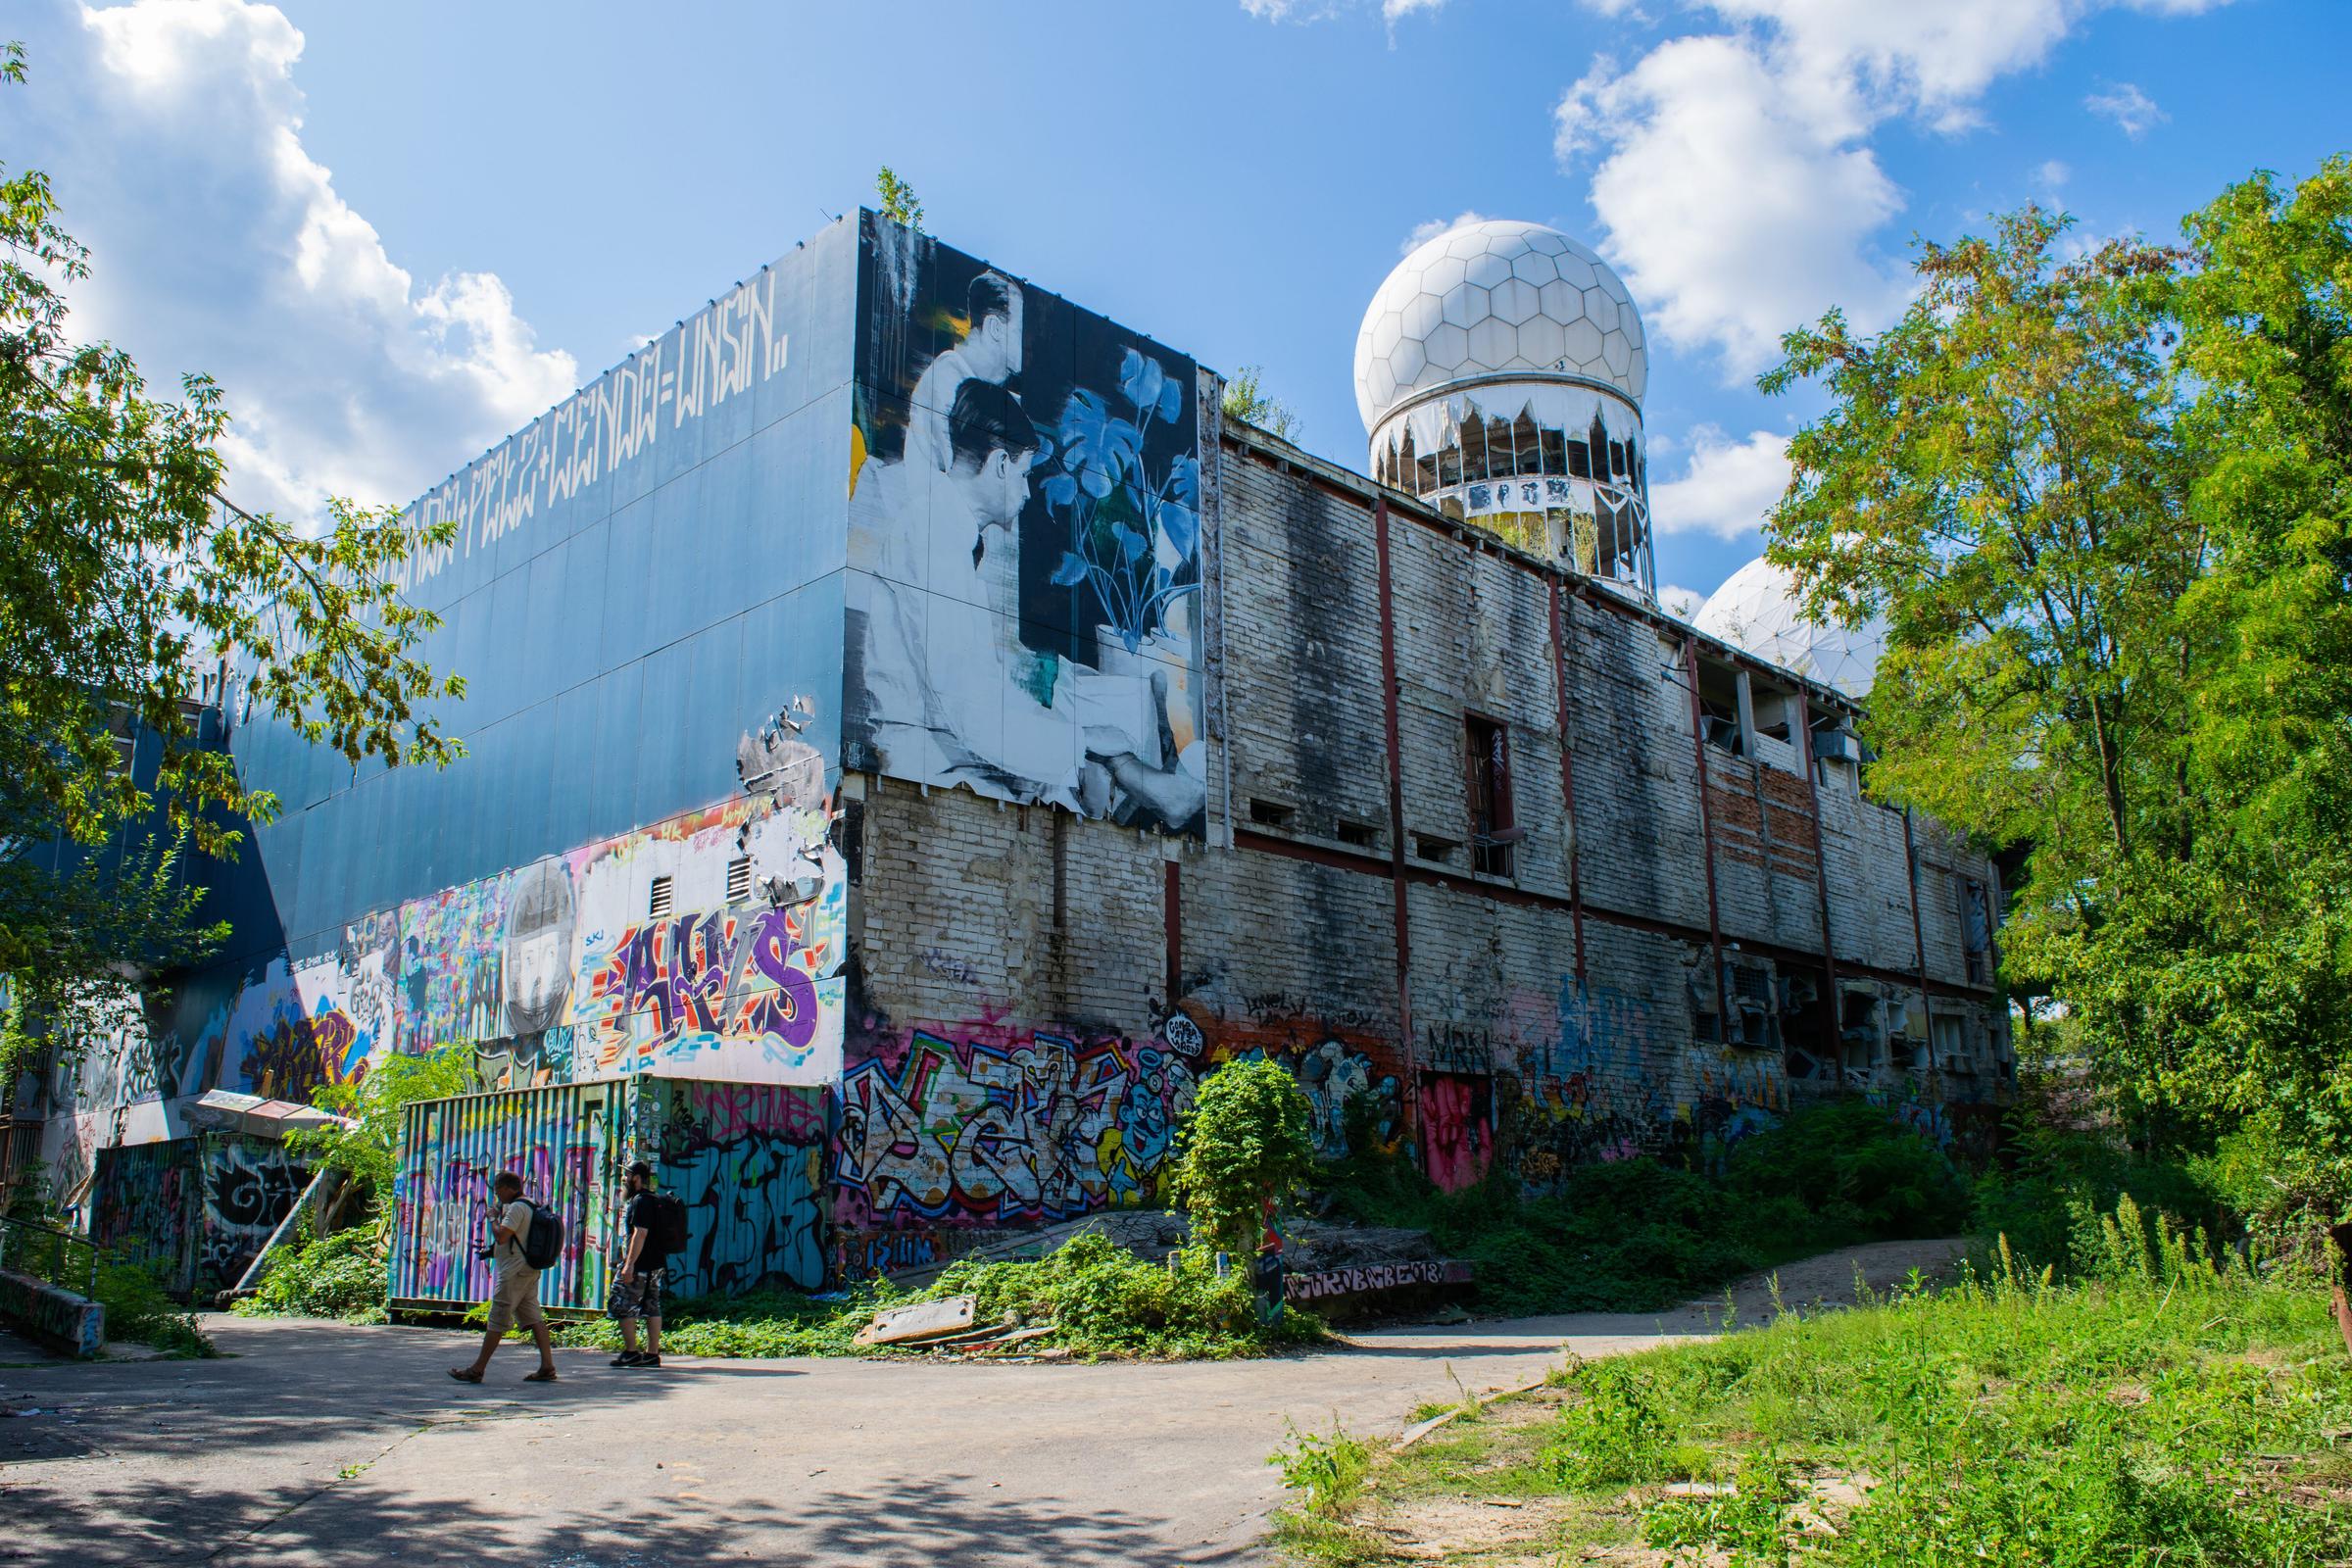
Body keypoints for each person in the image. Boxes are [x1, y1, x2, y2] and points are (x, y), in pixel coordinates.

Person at [450, 1170, 559, 1384]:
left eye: (498, 1189)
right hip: (527, 1270)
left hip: (514, 1272)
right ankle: (547, 1367)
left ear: (508, 1188)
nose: (497, 1194)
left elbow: (502, 1236)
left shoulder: (517, 1208)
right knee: (534, 1318)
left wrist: (492, 1218)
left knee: (498, 1317)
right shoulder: (531, 1204)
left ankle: (477, 1369)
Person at [609, 1161, 667, 1369]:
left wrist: (629, 1264)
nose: (624, 1179)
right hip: (656, 1264)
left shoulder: (640, 1201)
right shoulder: (655, 1199)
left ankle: (631, 1352)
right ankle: (652, 1354)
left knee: (623, 1303)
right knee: (652, 1306)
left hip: (640, 1265)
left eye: (627, 1175)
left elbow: (640, 1233)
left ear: (636, 1177)